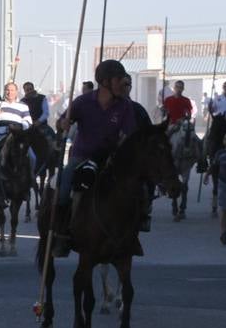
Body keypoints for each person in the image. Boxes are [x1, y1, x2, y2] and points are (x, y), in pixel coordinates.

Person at [52, 59, 138, 255]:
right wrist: (63, 124)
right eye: (119, 79)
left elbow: (129, 135)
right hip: (81, 157)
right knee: (64, 186)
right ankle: (61, 234)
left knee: (135, 188)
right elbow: (61, 123)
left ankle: (133, 232)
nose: (122, 84)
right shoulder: (83, 102)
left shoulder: (125, 106)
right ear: (105, 82)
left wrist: (121, 151)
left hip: (110, 159)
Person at [118, 73, 156, 232]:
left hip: (133, 158)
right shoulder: (104, 107)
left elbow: (150, 134)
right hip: (106, 154)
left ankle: (143, 213)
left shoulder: (138, 110)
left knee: (149, 181)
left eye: (128, 85)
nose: (125, 88)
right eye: (122, 84)